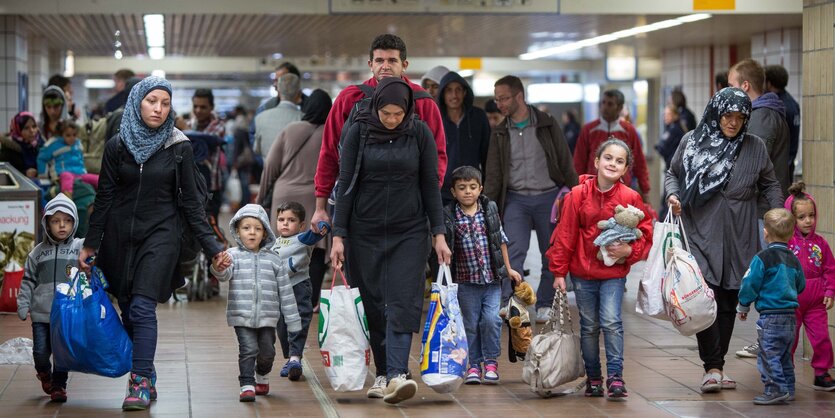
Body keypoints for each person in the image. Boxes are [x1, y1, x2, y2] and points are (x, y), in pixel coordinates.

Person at [78, 76, 227, 411]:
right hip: (119, 238)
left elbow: (192, 204)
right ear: (137, 102)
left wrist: (214, 248)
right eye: (152, 101)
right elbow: (105, 197)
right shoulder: (118, 146)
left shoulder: (179, 147)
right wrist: (90, 243)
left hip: (162, 236)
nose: (159, 109)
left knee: (143, 306)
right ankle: (146, 367)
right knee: (129, 309)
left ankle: (140, 380)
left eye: (165, 103)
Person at [330, 77, 451, 403]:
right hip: (363, 231)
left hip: (409, 231)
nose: (393, 119)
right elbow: (345, 184)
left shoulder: (419, 132)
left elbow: (430, 184)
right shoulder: (358, 130)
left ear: (408, 110)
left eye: (399, 114)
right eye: (387, 113)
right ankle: (383, 373)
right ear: (377, 107)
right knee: (372, 303)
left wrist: (439, 234)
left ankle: (398, 373)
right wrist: (338, 234)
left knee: (402, 299)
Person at [665, 87, 783, 395]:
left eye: (740, 118)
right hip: (700, 229)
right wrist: (673, 195)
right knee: (706, 298)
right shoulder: (691, 141)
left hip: (739, 232)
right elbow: (672, 174)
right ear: (716, 113)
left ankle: (717, 366)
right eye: (727, 116)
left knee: (730, 298)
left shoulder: (755, 147)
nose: (733, 123)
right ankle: (712, 367)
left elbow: (770, 184)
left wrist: (780, 216)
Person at [546, 139, 653, 400]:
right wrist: (559, 272)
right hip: (582, 274)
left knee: (612, 322)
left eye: (619, 161)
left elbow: (646, 232)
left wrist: (630, 252)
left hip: (614, 275)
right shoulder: (577, 195)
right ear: (596, 162)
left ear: (626, 168)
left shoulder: (630, 198)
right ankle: (594, 377)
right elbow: (566, 234)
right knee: (590, 326)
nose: (612, 164)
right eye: (608, 158)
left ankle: (615, 377)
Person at [310, 33, 447, 234]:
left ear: (404, 64)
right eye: (379, 60)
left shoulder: (423, 103)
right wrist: (320, 208)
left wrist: (427, 201)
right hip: (358, 206)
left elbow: (438, 158)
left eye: (392, 60)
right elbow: (329, 152)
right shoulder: (349, 99)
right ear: (370, 64)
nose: (385, 66)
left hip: (409, 210)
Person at [483, 75, 577, 322]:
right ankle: (511, 302)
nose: (499, 104)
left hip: (549, 197)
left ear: (519, 96)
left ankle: (545, 303)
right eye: (497, 99)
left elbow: (565, 160)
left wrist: (576, 193)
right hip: (516, 199)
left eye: (504, 98)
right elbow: (492, 173)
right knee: (513, 251)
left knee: (551, 252)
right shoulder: (500, 132)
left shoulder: (546, 124)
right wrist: (487, 208)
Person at [210, 204, 301, 402]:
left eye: (257, 228)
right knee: (248, 348)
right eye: (246, 228)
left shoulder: (274, 260)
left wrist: (293, 322)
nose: (252, 232)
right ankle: (247, 384)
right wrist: (217, 267)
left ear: (265, 233)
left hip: (269, 317)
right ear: (237, 231)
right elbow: (224, 275)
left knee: (267, 352)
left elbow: (286, 292)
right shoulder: (232, 256)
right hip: (241, 315)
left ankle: (262, 374)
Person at [443, 166, 521, 385]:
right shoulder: (450, 215)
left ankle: (490, 361)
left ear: (480, 189)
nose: (468, 192)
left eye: (473, 187)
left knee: (491, 320)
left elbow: (501, 242)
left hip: (491, 280)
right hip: (465, 282)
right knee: (470, 324)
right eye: (462, 188)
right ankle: (474, 365)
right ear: (453, 191)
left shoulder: (489, 211)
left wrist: (509, 268)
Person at [258, 89, 332, 311]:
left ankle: (279, 297)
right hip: (316, 197)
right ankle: (309, 301)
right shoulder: (330, 134)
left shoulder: (290, 130)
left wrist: (261, 199)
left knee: (280, 245)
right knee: (315, 248)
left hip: (284, 196)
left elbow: (270, 167)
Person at [17, 194, 84, 403]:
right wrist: (23, 303)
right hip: (41, 314)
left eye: (67, 220)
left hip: (66, 314)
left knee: (62, 354)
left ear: (74, 222)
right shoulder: (37, 253)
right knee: (40, 352)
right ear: (47, 223)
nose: (62, 226)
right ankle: (44, 372)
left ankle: (58, 385)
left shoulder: (78, 248)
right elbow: (27, 280)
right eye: (56, 221)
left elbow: (97, 249)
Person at [737, 208, 805, 405]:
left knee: (768, 355)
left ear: (765, 232)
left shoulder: (762, 258)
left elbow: (750, 284)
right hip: (791, 316)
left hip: (770, 317)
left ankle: (775, 389)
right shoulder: (793, 258)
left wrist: (743, 305)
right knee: (784, 356)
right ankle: (788, 389)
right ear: (792, 234)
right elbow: (801, 284)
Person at [784, 182, 835, 391]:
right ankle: (785, 374)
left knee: (822, 337)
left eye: (811, 215)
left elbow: (830, 269)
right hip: (791, 300)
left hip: (816, 301)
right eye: (802, 217)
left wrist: (830, 290)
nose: (808, 221)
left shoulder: (821, 243)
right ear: (791, 219)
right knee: (789, 339)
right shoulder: (786, 243)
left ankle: (822, 373)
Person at [270, 201, 328, 382]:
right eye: (281, 219)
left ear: (301, 225)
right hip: (280, 291)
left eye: (291, 220)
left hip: (299, 287)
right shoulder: (274, 243)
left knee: (299, 321)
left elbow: (318, 233)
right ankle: (290, 358)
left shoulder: (302, 238)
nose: (285, 223)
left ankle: (295, 358)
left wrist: (323, 224)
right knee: (282, 326)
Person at [573, 89, 651, 203]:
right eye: (603, 103)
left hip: (622, 189)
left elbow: (639, 162)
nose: (605, 107)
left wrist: (645, 190)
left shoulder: (629, 131)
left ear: (619, 108)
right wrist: (577, 186)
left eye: (610, 104)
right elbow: (579, 162)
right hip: (592, 189)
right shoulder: (588, 129)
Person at [728, 59, 790, 196]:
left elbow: (753, 168)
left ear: (745, 86)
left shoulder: (762, 117)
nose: (728, 92)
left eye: (731, 86)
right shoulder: (757, 114)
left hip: (763, 208)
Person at [437, 71, 491, 205]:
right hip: (443, 191)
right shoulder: (436, 118)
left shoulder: (479, 117)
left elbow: (487, 155)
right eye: (449, 90)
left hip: (472, 190)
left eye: (458, 90)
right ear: (443, 94)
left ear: (465, 93)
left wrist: (486, 186)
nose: (454, 95)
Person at [188, 88, 226, 221]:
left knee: (210, 227)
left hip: (211, 188)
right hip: (192, 186)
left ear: (212, 107)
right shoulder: (191, 124)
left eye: (203, 107)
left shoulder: (219, 124)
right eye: (195, 106)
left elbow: (208, 139)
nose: (198, 110)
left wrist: (185, 132)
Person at [37, 121, 99, 197]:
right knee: (67, 178)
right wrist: (43, 174)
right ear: (62, 135)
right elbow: (41, 158)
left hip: (80, 174)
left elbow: (81, 159)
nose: (72, 138)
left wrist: (83, 170)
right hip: (62, 173)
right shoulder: (54, 145)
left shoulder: (78, 144)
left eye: (74, 135)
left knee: (98, 179)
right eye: (68, 135)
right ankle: (67, 200)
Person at [254, 73, 303, 161]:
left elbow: (257, 149)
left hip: (268, 173)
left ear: (279, 92)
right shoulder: (303, 119)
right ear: (299, 94)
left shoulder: (260, 118)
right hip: (295, 173)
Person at [765, 65, 801, 177]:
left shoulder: (777, 106)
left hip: (778, 167)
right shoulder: (793, 103)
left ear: (769, 83)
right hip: (789, 163)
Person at [1, 111, 43, 178]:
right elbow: (4, 173)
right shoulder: (9, 148)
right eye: (26, 128)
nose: (32, 131)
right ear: (18, 129)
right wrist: (25, 173)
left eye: (34, 126)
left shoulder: (41, 144)